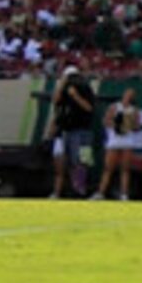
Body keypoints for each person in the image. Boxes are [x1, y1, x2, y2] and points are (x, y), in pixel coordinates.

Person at [51, 67, 98, 200]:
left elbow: (89, 108)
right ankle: (74, 188)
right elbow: (55, 101)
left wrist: (76, 96)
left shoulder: (85, 89)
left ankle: (81, 188)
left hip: (84, 131)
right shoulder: (65, 91)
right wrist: (62, 85)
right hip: (69, 130)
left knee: (83, 160)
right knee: (71, 161)